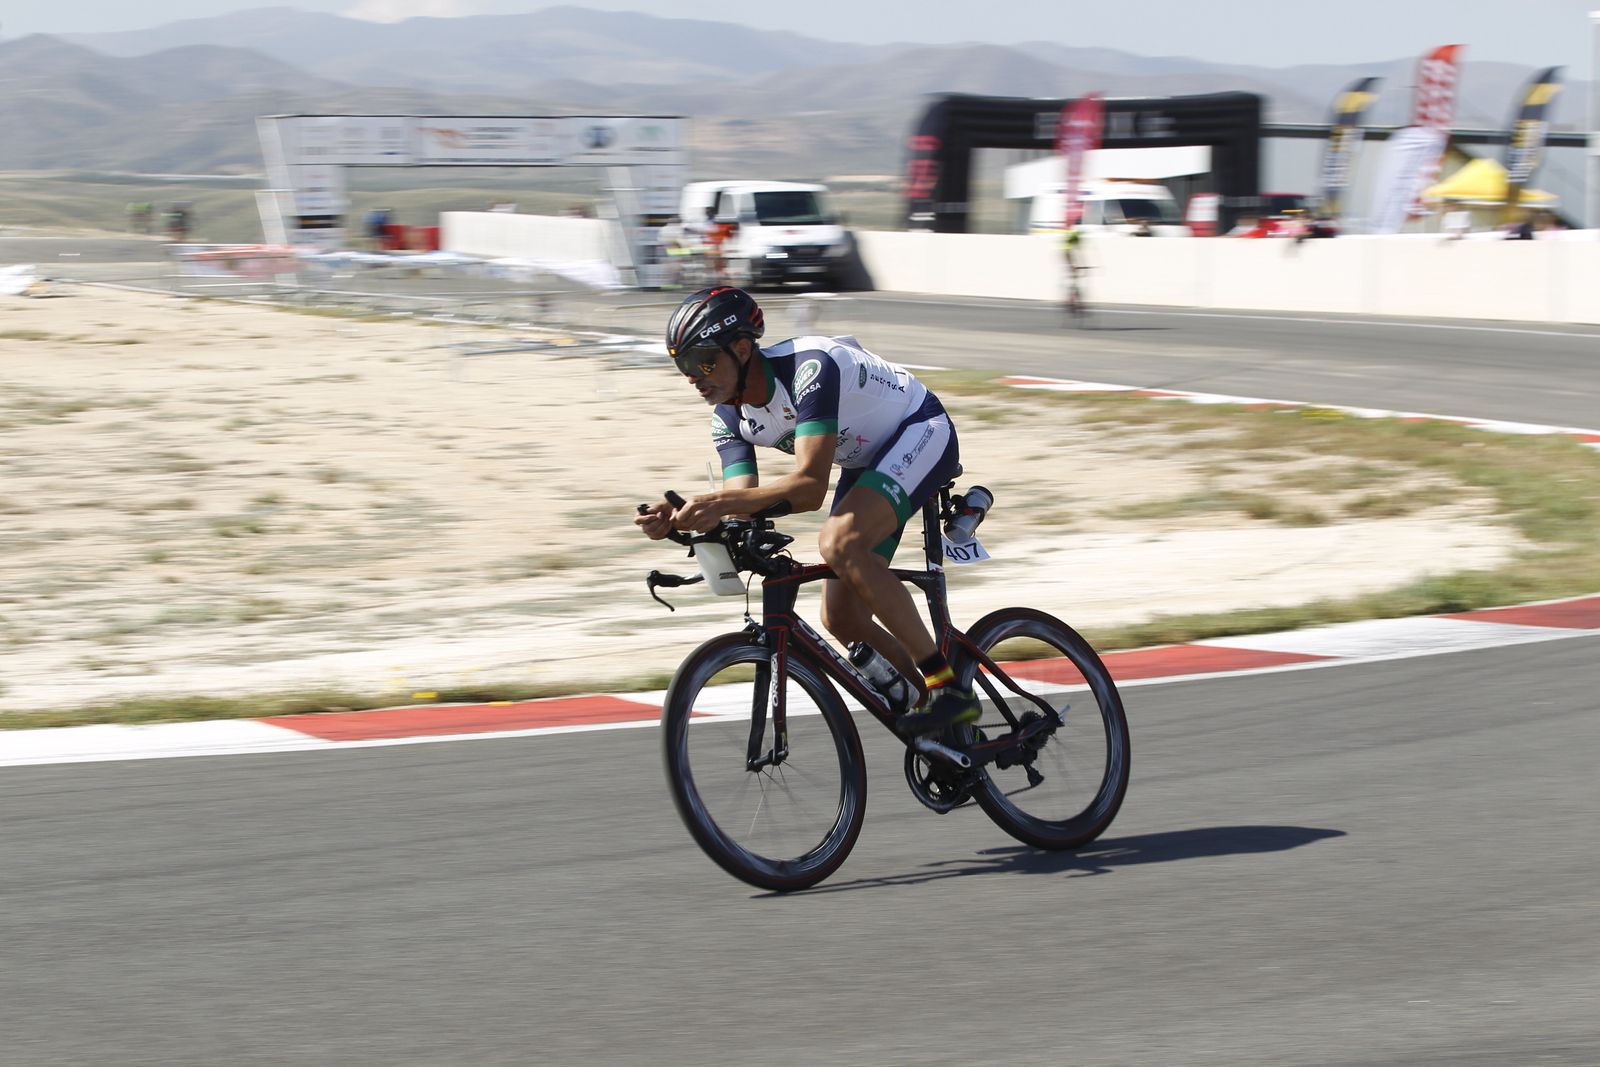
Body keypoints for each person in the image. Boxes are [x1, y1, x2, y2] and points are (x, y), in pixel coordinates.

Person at [634, 286, 979, 735]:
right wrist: (684, 517)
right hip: (866, 460)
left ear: (741, 349)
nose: (693, 377)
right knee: (842, 618)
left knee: (839, 542)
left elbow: (810, 487)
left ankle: (949, 687)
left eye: (701, 361)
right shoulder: (728, 416)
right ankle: (943, 726)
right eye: (682, 367)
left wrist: (715, 503)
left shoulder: (809, 368)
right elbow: (742, 497)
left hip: (920, 429)